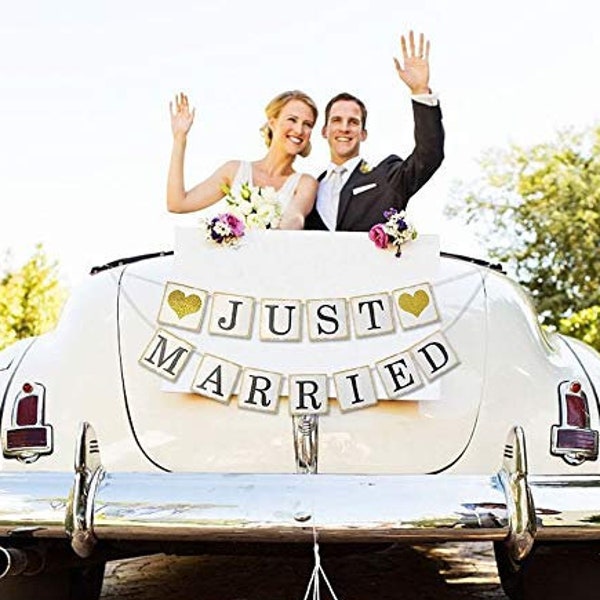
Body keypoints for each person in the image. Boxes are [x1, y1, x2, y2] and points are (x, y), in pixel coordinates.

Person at [304, 31, 444, 232]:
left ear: (363, 133)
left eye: (353, 122)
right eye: (337, 120)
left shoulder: (388, 177)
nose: (344, 128)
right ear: (325, 131)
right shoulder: (309, 189)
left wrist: (420, 91)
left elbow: (429, 155)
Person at [167, 90, 319, 230]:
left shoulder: (305, 183)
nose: (299, 130)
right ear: (272, 123)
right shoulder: (234, 170)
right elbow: (177, 203)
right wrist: (180, 138)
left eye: (307, 124)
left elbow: (295, 218)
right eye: (292, 119)